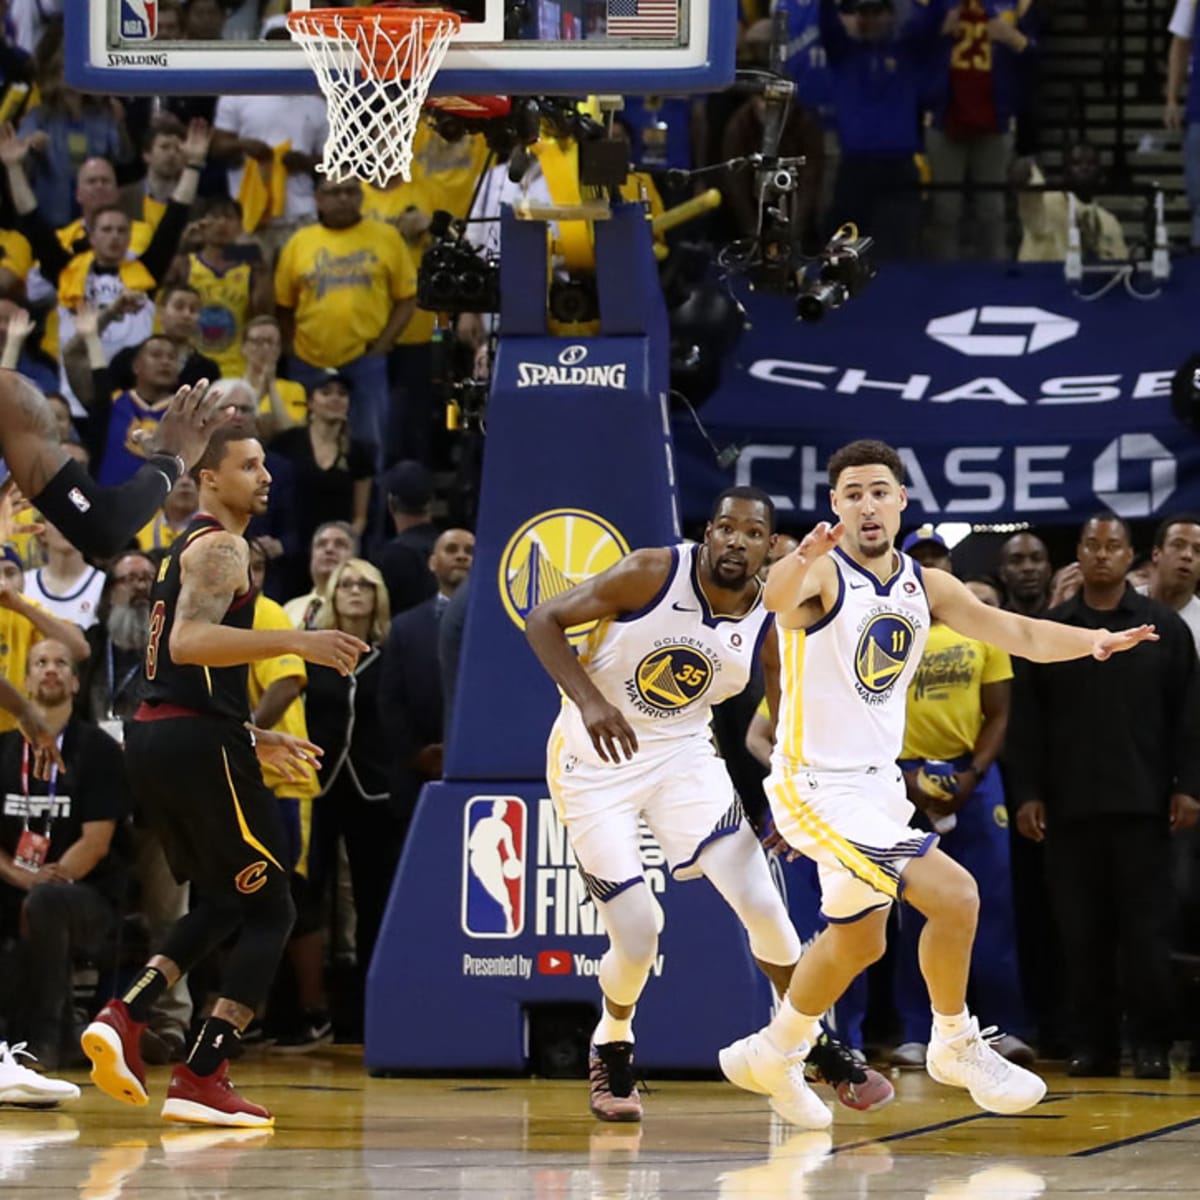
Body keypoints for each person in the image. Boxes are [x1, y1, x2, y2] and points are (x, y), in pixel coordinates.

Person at [718, 439, 1155, 1126]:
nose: (866, 504)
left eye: (878, 491)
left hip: (877, 788)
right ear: (836, 506)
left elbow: (1015, 629)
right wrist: (798, 557)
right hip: (816, 787)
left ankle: (774, 1050)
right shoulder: (822, 574)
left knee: (860, 941)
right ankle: (954, 1040)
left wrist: (1091, 644)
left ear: (900, 503)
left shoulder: (926, 585)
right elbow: (774, 597)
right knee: (956, 897)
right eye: (852, 493)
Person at [525, 487, 893, 1124]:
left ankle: (812, 1043)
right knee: (639, 936)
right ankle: (613, 1041)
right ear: (709, 533)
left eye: (753, 533)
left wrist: (790, 795)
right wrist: (589, 701)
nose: (736, 541)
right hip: (595, 763)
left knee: (765, 907)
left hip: (683, 759)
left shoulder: (774, 615)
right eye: (726, 528)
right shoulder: (651, 571)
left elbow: (788, 719)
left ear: (771, 546)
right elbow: (542, 621)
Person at [81, 424, 369, 1127]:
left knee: (220, 900)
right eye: (248, 465)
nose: (265, 476)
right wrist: (298, 638)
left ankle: (125, 1013)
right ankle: (204, 1071)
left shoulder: (190, 547)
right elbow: (189, 642)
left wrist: (246, 732)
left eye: (266, 465)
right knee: (274, 905)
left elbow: (181, 667)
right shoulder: (221, 546)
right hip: (190, 739)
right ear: (209, 479)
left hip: (168, 735)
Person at [1009, 513, 1200, 1080]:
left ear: (1131, 556)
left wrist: (1188, 787)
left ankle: (1150, 1044)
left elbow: (1188, 719)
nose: (1100, 554)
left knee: (1146, 936)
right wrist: (1028, 794)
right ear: (1079, 556)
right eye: (1090, 545)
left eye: (1112, 545)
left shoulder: (1164, 628)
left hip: (1144, 808)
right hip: (1068, 810)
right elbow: (1028, 724)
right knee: (1080, 934)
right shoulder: (1053, 628)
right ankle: (1092, 1045)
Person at [890, 527, 1032, 1069]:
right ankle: (917, 1030)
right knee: (914, 908)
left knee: (991, 904)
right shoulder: (888, 631)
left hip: (973, 776)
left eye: (937, 558)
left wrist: (973, 773)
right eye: (919, 559)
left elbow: (999, 712)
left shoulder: (980, 627)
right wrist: (904, 780)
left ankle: (1004, 1026)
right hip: (904, 777)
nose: (930, 567)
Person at [0, 640, 129, 1069]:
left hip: (82, 895)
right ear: (23, 682)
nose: (50, 669)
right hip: (15, 882)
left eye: (61, 663)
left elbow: (96, 842)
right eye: (40, 662)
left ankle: (43, 1042)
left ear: (76, 682)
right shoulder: (1, 749)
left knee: (44, 904)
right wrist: (19, 875)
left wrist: (42, 881)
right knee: (28, 899)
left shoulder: (98, 750)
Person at [379, 527, 474, 831]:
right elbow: (390, 700)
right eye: (451, 549)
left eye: (470, 551)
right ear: (432, 562)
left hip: (479, 763)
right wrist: (417, 754)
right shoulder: (404, 627)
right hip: (417, 773)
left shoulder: (500, 622)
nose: (461, 555)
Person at [24, 517, 105, 629]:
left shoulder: (104, 585)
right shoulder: (24, 584)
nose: (67, 527)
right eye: (59, 519)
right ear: (42, 533)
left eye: (75, 520)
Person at [996, 532, 1052, 617]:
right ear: (1002, 573)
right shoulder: (996, 621)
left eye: (1036, 559)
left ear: (1048, 570)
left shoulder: (1067, 621)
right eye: (1016, 561)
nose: (1028, 568)